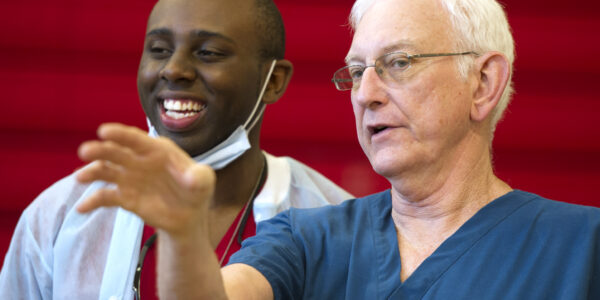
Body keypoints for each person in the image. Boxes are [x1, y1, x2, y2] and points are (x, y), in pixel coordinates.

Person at [34, 0, 600, 299]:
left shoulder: (582, 249)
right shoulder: (307, 237)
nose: (367, 95)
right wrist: (184, 234)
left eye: (398, 64)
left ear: (483, 83)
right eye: (356, 72)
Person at [0, 0, 354, 299]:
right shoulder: (59, 217)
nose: (174, 69)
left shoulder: (334, 222)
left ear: (273, 81)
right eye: (159, 50)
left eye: (209, 53)